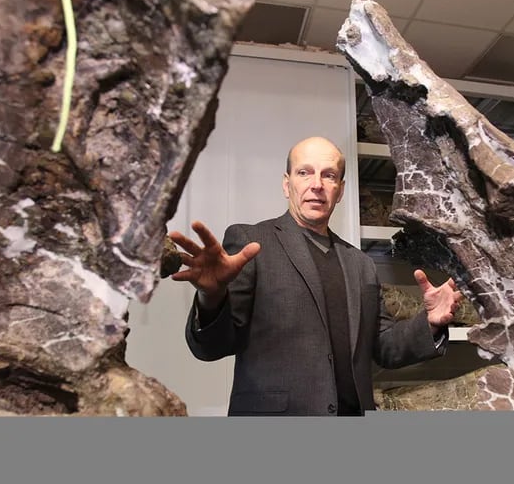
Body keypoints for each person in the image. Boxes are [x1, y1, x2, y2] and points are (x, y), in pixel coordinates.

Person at [168, 136, 463, 416]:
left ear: (340, 189)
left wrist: (430, 322)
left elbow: (384, 346)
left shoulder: (360, 264)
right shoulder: (251, 242)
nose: (317, 185)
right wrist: (212, 296)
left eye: (329, 175)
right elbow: (210, 348)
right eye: (304, 173)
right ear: (287, 185)